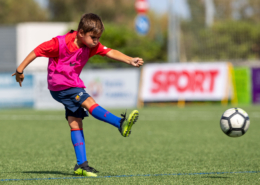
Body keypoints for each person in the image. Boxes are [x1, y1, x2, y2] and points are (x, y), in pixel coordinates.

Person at [12, 13, 144, 177]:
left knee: (75, 123)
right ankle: (119, 123)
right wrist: (19, 70)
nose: (96, 41)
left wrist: (129, 59)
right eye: (93, 37)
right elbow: (37, 51)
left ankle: (82, 165)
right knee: (88, 101)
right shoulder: (58, 43)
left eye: (98, 37)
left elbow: (109, 52)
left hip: (69, 85)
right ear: (81, 33)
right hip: (61, 86)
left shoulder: (91, 46)